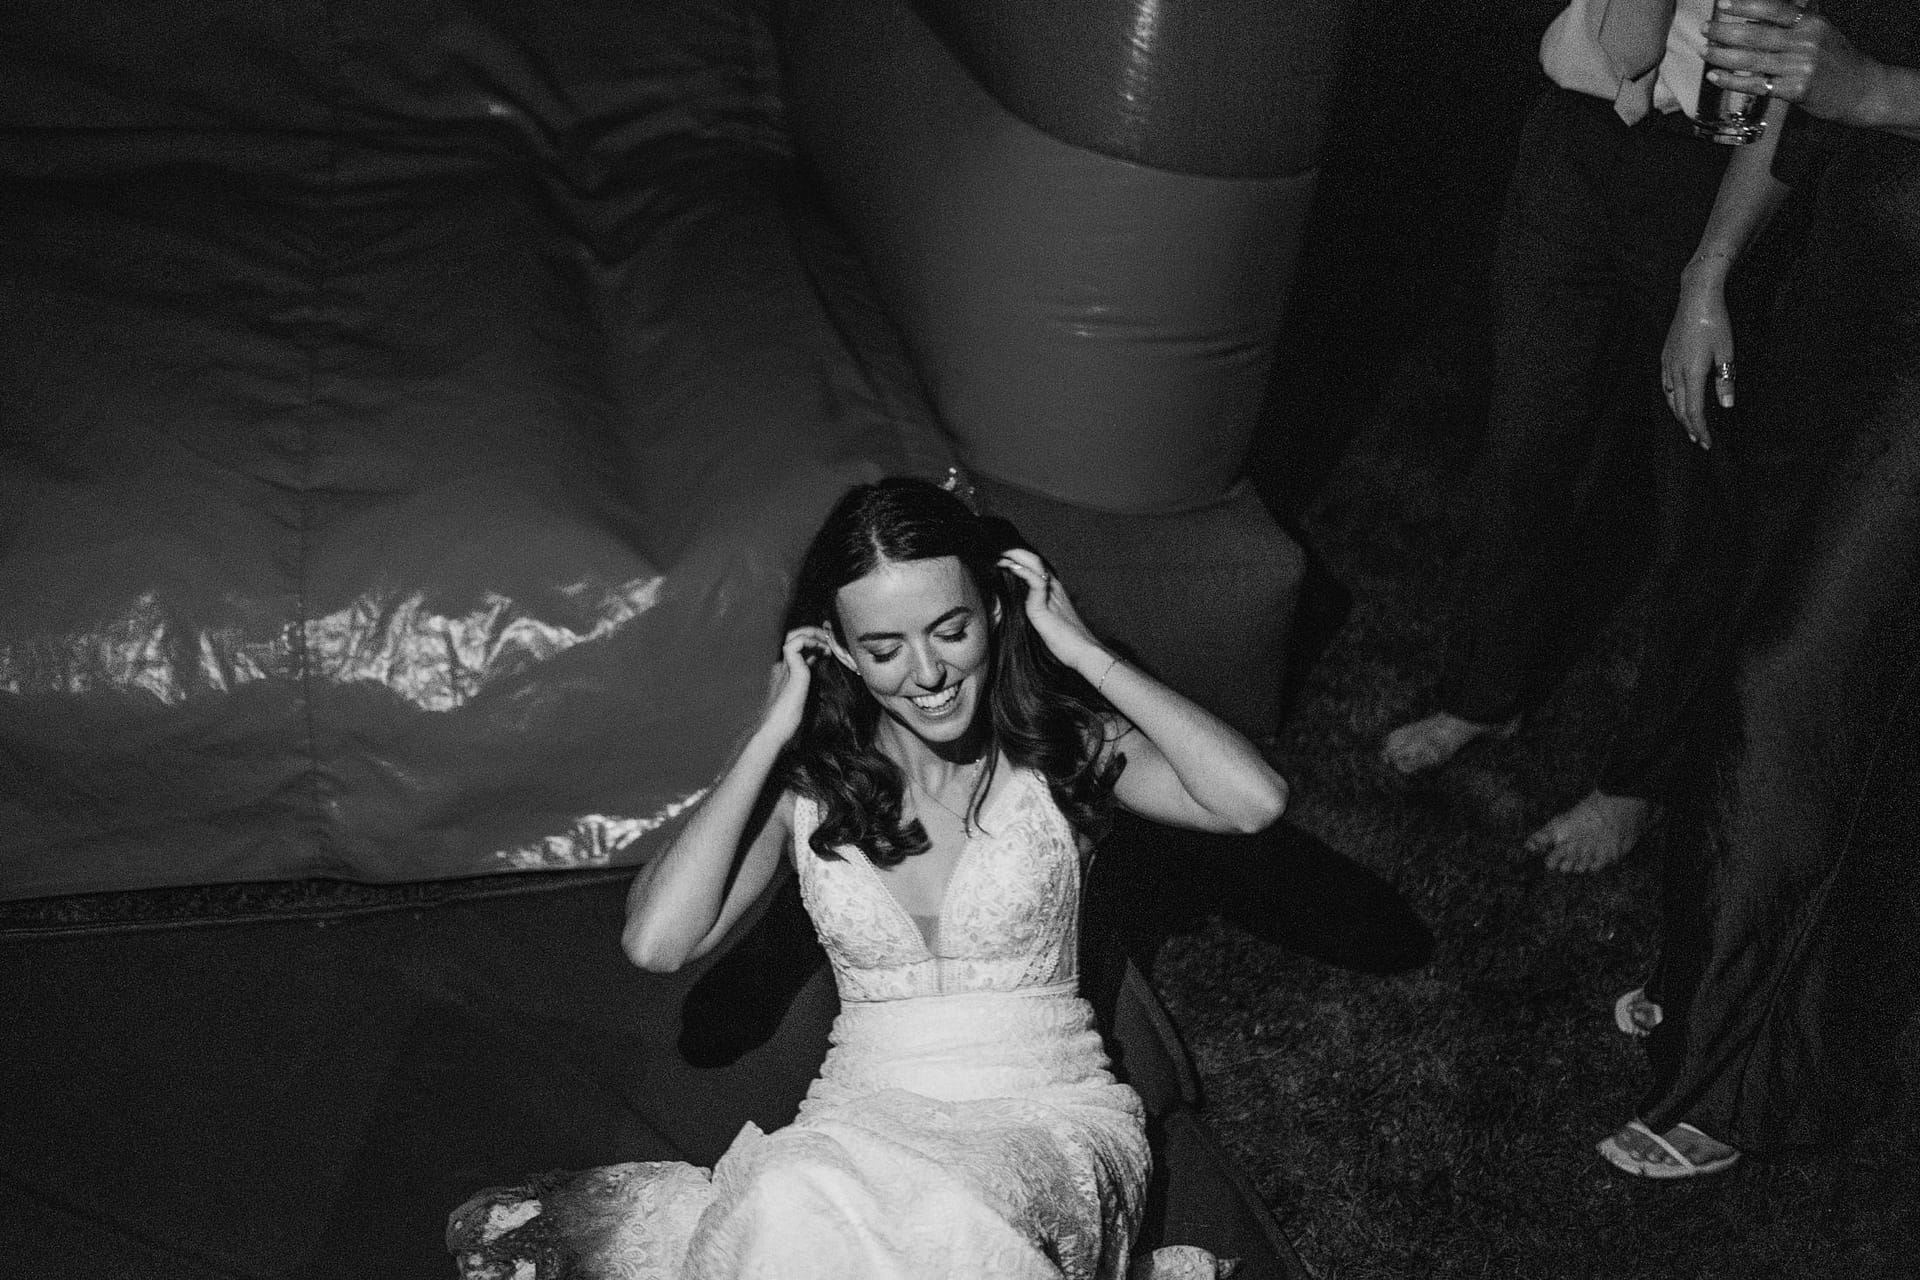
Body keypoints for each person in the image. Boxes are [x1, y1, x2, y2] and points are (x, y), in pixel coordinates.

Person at [448, 477, 1288, 1276]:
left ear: (995, 615)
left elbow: (1251, 802)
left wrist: (1082, 650)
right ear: (842, 654)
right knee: (787, 1199)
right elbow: (656, 941)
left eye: (951, 631)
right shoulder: (811, 791)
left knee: (955, 1223)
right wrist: (770, 734)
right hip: (860, 1122)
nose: (926, 674)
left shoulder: (1061, 753)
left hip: (1042, 1122)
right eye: (884, 649)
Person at [1598, 0, 1920, 1178]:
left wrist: (1881, 89)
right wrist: (1708, 271)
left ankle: (1742, 1077)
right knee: (1787, 649)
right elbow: (1799, 97)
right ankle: (1723, 982)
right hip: (1848, 310)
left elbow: (1851, 85)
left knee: (1796, 672)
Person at [1381, 0, 1738, 873]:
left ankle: (1639, 783)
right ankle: (1483, 690)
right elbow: (1620, 39)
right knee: (1524, 451)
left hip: (1728, 168)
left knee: (1697, 501)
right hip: (1577, 138)